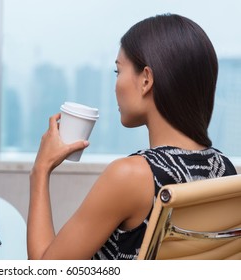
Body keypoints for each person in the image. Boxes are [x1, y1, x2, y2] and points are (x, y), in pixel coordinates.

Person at [27, 13, 237, 260]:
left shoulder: (131, 176)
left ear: (146, 79)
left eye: (118, 71)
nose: (115, 85)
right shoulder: (225, 170)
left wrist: (40, 170)